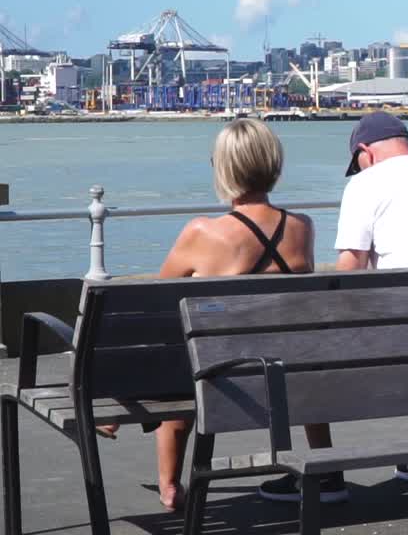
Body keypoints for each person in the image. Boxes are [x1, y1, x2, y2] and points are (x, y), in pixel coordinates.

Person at [257, 111, 408, 504]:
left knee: (304, 346)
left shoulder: (367, 183)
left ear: (365, 152)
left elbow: (347, 274)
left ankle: (325, 473)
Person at [101, 118, 314, 512]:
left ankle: (164, 477)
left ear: (223, 168)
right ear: (274, 164)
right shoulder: (302, 228)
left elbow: (154, 300)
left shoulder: (202, 232)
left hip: (213, 373)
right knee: (189, 350)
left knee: (174, 346)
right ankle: (125, 409)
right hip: (278, 368)